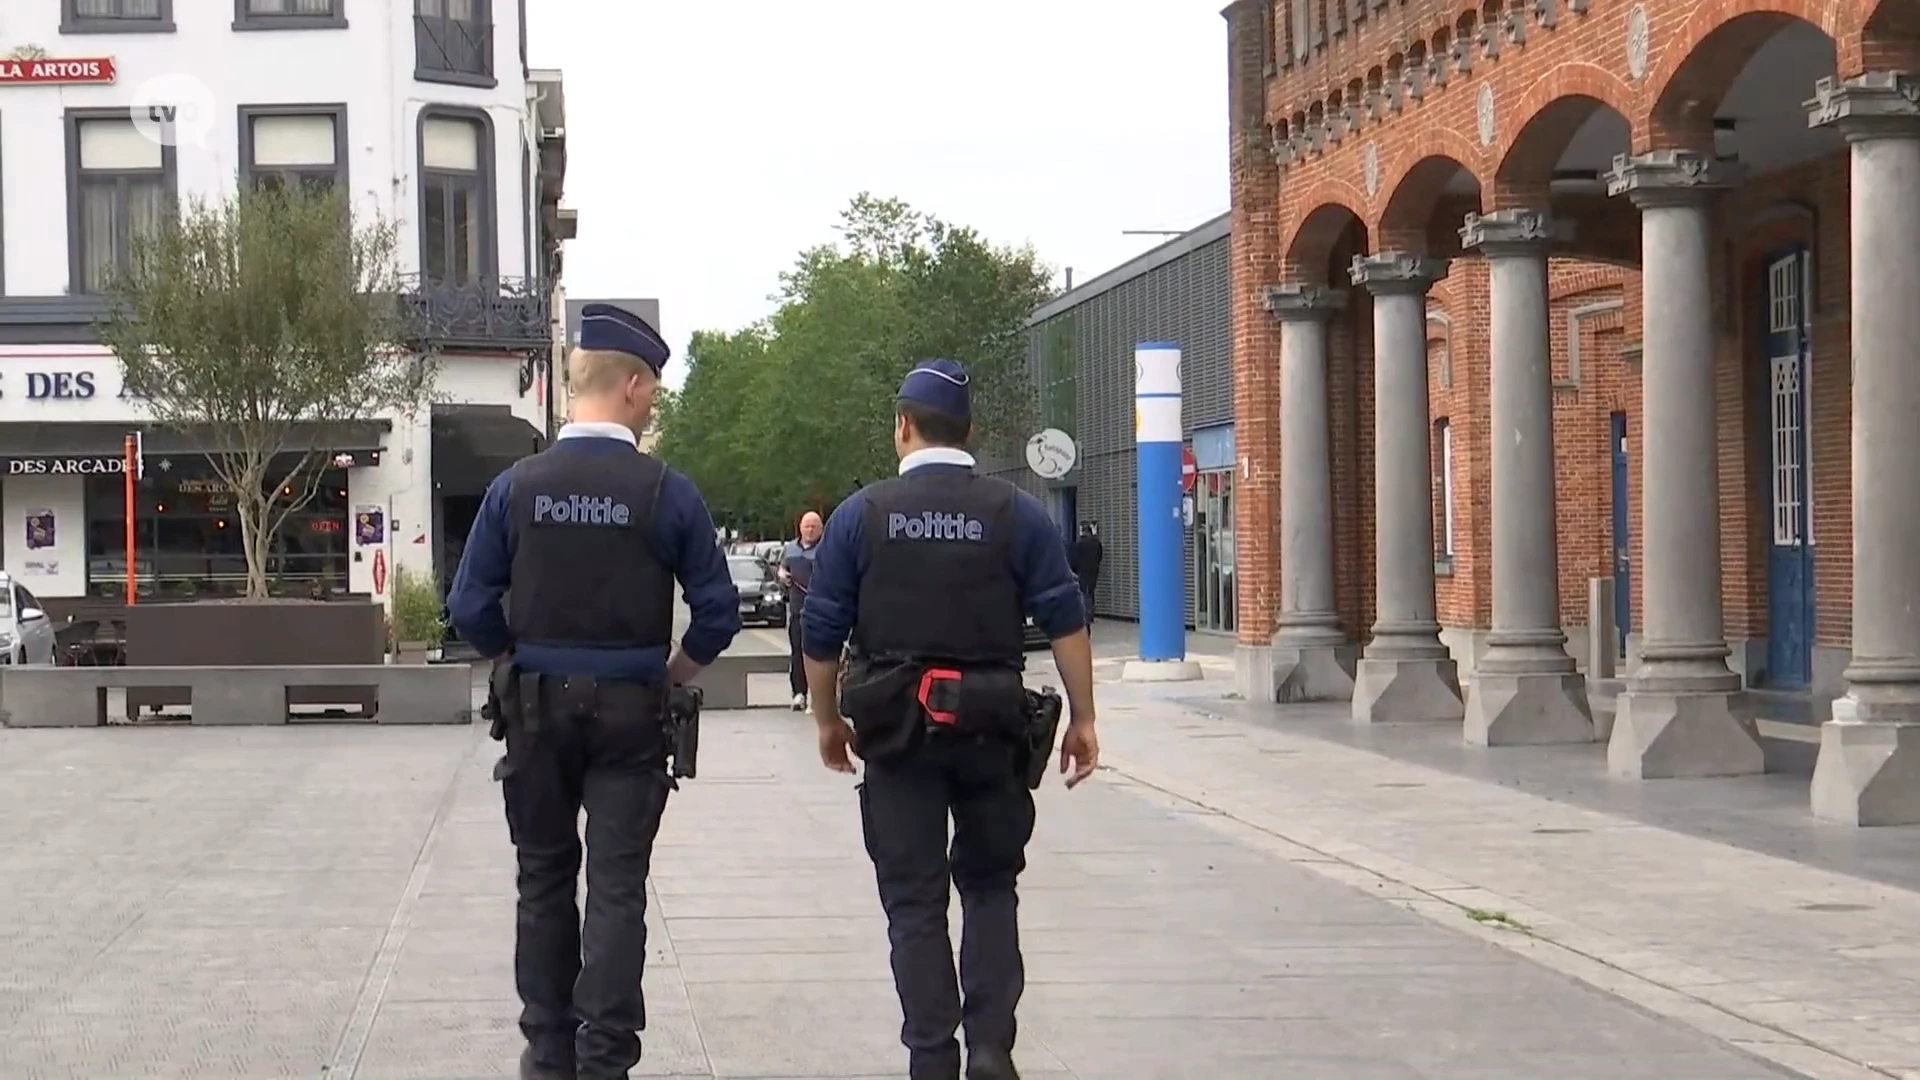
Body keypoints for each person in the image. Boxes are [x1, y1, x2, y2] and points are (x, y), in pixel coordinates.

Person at [447, 302, 741, 1080]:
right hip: (632, 713)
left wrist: (515, 657)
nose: (653, 406)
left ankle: (548, 1055)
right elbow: (718, 610)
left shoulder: (516, 487)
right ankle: (604, 1058)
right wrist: (670, 673)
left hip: (536, 710)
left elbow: (469, 605)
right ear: (634, 387)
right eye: (654, 393)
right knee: (617, 887)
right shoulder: (665, 491)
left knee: (543, 880)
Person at [798, 358, 1101, 1080]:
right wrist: (1084, 718)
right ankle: (991, 1048)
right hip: (993, 727)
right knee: (992, 886)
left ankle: (931, 1057)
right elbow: (1066, 619)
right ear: (971, 430)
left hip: (897, 734)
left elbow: (821, 632)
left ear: (902, 426)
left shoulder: (860, 516)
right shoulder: (1016, 513)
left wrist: (826, 722)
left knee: (914, 902)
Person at [779, 511, 823, 710]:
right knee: (797, 651)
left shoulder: (826, 548)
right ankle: (799, 693)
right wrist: (782, 574)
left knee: (818, 654)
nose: (810, 529)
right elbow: (782, 568)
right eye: (807, 525)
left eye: (814, 526)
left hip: (819, 610)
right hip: (797, 609)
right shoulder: (790, 549)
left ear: (821, 529)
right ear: (800, 528)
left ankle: (818, 696)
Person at [1070, 521, 1103, 624]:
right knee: (1091, 592)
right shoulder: (1096, 543)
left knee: (1084, 592)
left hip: (1083, 571)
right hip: (1093, 570)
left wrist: (1074, 569)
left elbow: (1075, 559)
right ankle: (1091, 613)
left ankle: (1086, 614)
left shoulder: (1080, 544)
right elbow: (1099, 556)